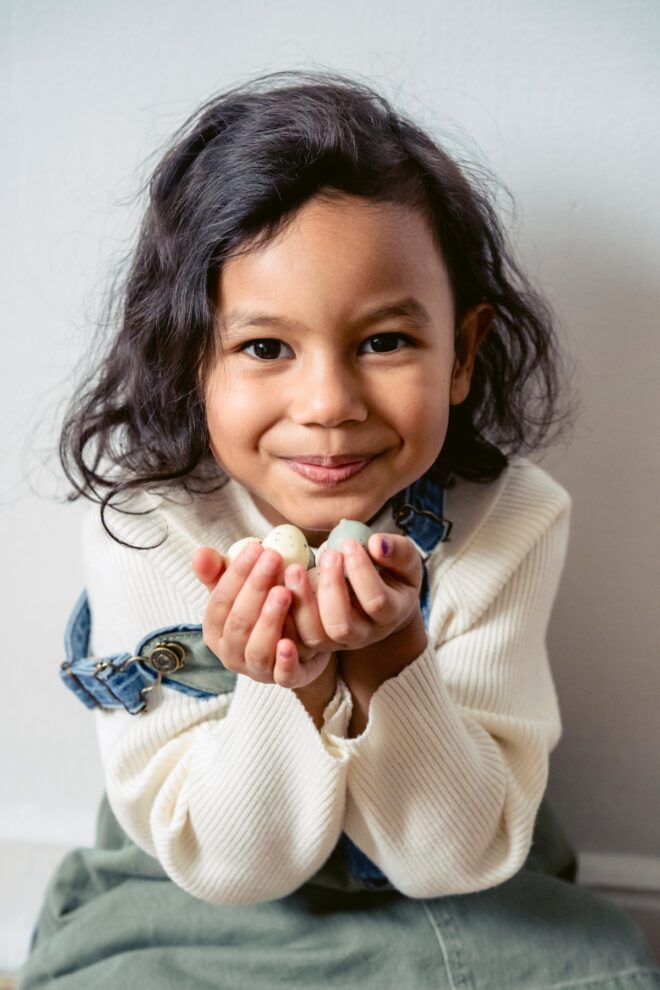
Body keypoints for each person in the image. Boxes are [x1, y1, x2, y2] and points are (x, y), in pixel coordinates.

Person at [20, 69, 658, 988]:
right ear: (192, 357)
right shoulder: (152, 523)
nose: (328, 405)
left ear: (463, 354)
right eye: (265, 348)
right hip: (198, 897)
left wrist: (394, 653)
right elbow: (231, 868)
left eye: (384, 342)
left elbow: (454, 856)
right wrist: (287, 683)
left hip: (450, 898)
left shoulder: (509, 521)